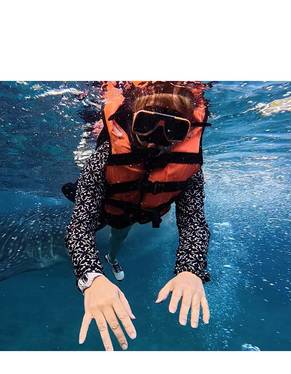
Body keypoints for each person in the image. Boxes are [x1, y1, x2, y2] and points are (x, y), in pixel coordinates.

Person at [64, 81, 211, 351]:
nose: (156, 139)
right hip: (107, 204)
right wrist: (91, 278)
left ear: (188, 131)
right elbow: (79, 227)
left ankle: (112, 258)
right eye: (147, 124)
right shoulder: (104, 156)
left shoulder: (190, 169)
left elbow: (194, 224)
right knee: (102, 224)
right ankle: (108, 254)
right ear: (132, 120)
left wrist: (191, 270)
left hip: (136, 212)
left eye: (173, 130)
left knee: (121, 232)